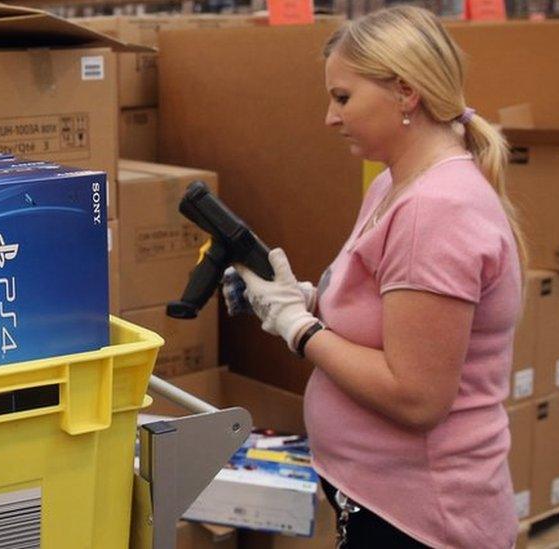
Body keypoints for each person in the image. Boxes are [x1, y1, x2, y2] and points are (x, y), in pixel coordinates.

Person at [223, 6, 524, 548]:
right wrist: (302, 299)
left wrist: (298, 327)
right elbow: (389, 316)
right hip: (377, 498)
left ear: (406, 93)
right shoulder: (394, 185)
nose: (330, 118)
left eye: (343, 98)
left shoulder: (437, 211)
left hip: (422, 520)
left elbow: (417, 397)